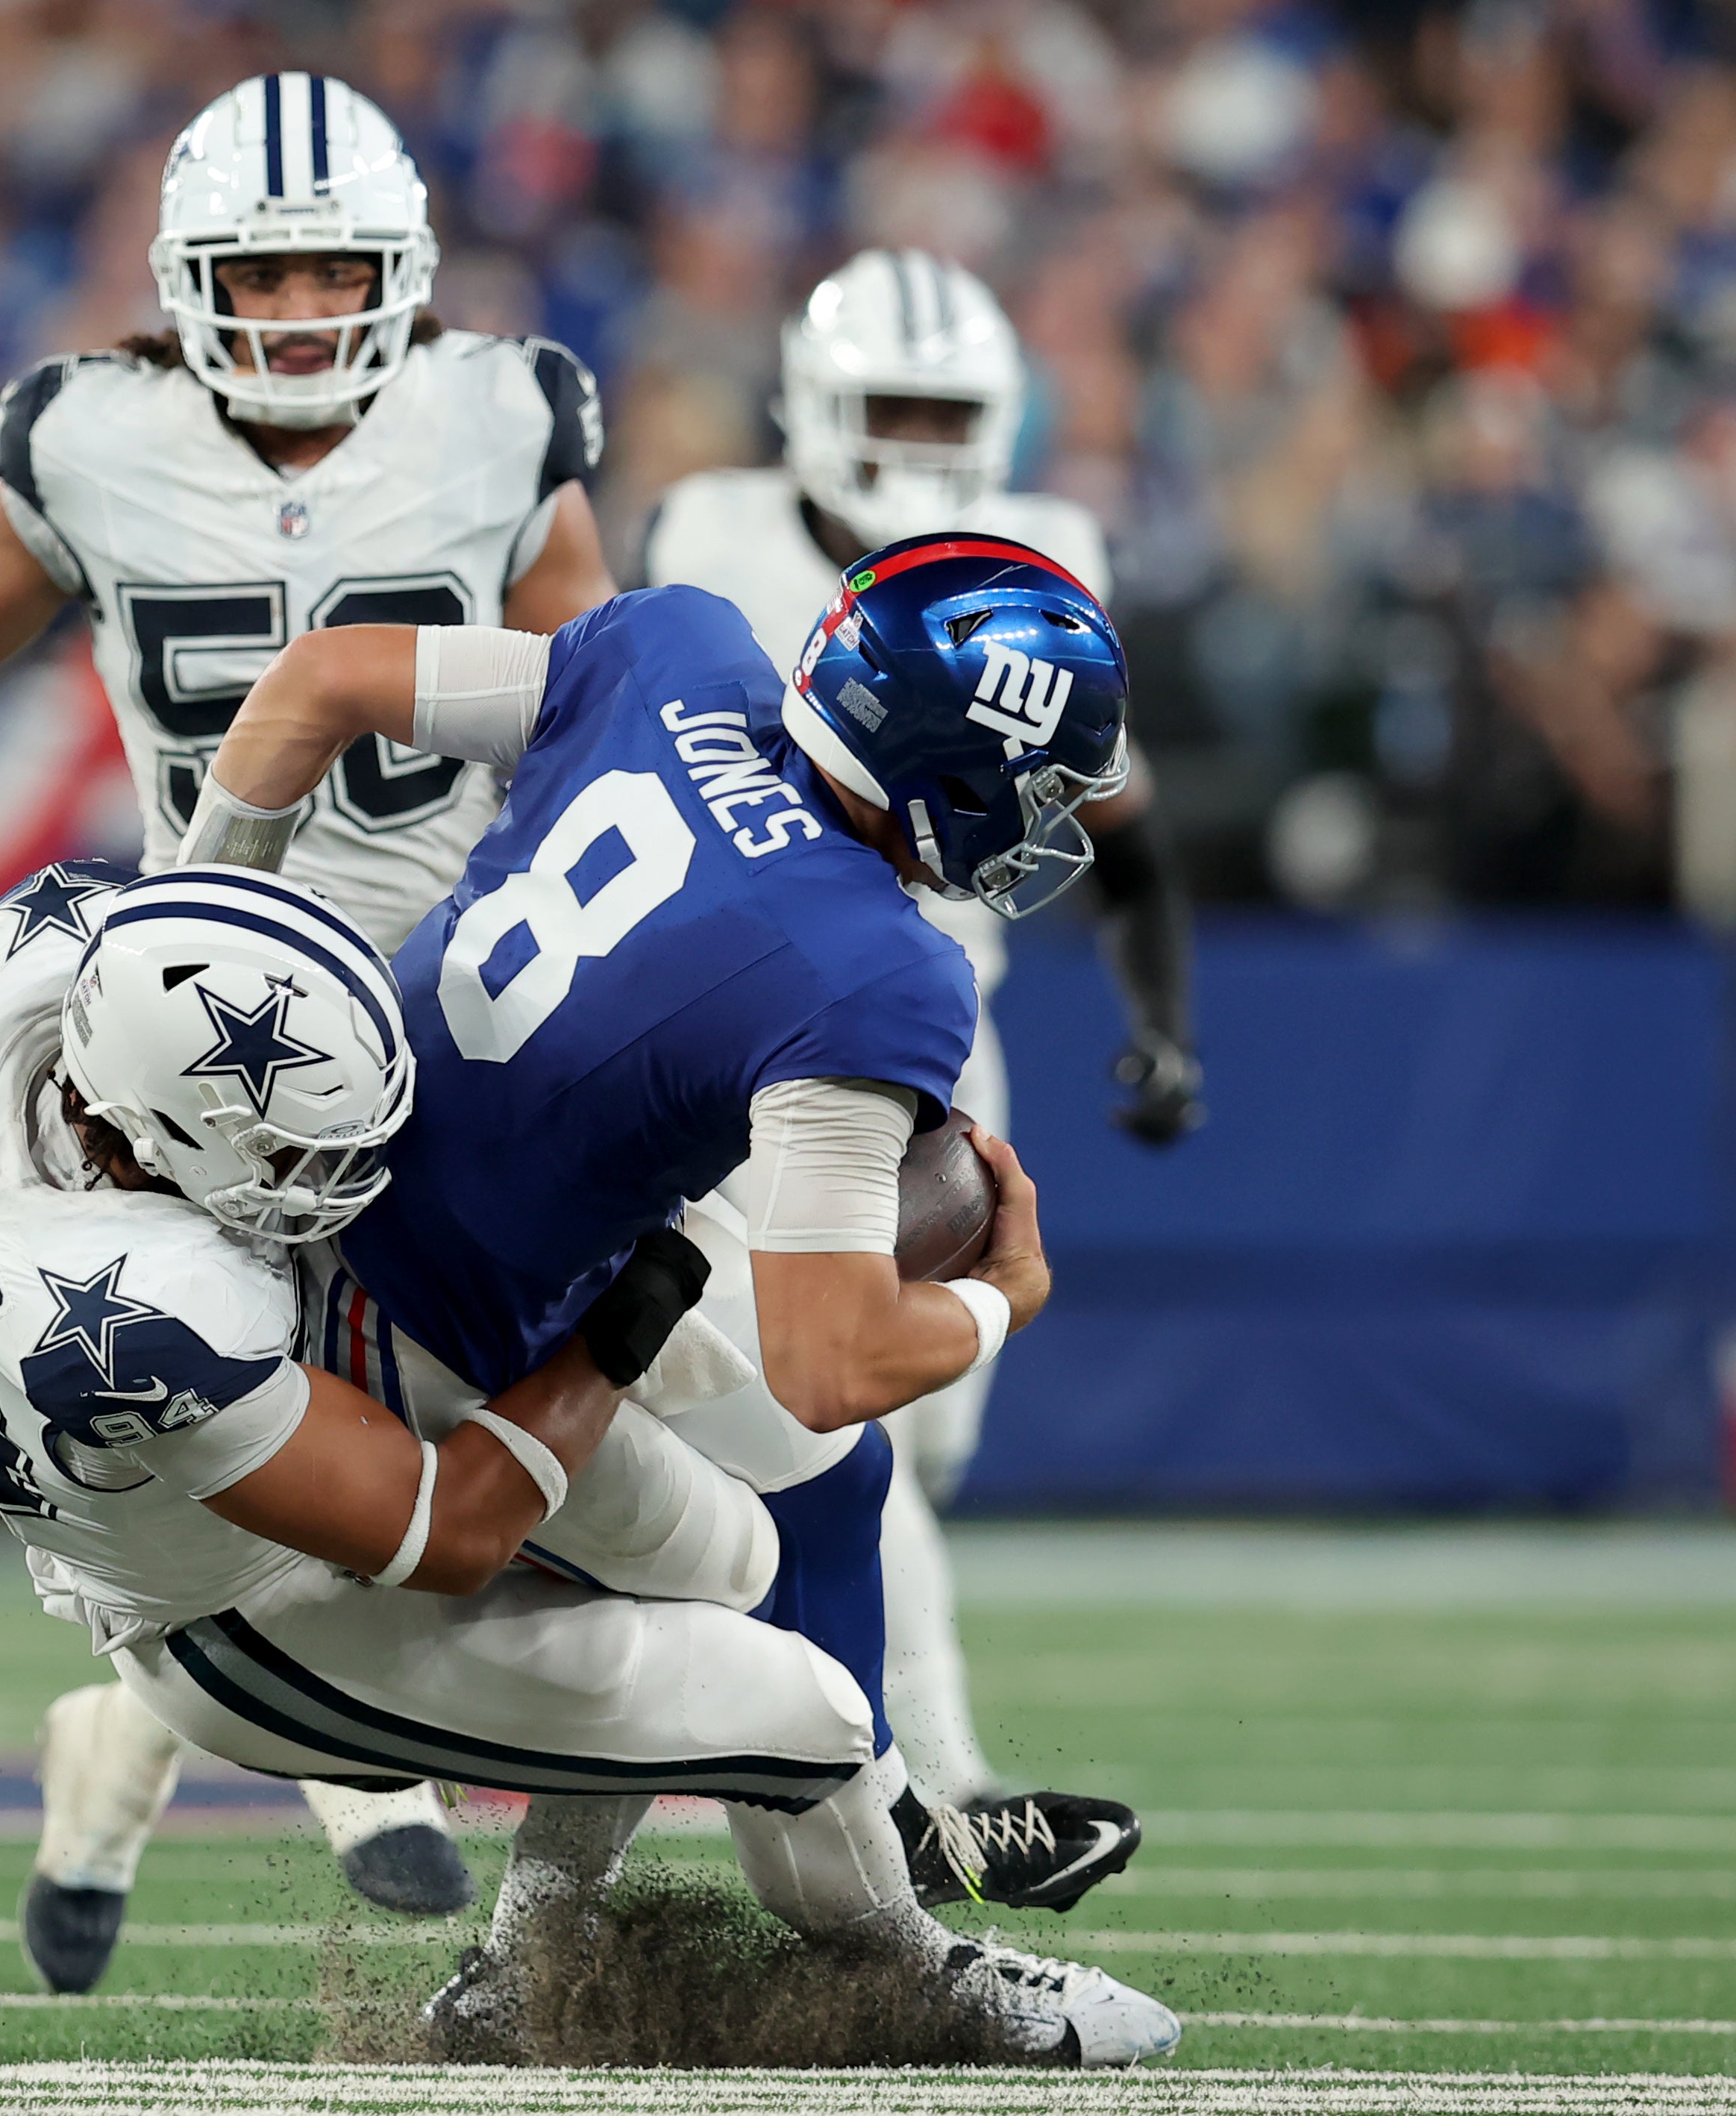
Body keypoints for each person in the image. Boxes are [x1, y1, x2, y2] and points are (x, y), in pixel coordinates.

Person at [0, 74, 618, 1932]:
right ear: (185, 282)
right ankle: (355, 1769)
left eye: (340, 274)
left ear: (400, 274)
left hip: (462, 989)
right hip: (213, 1018)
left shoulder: (498, 414)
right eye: (272, 275)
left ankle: (119, 1750)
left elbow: (601, 688)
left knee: (475, 1455)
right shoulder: (91, 438)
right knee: (264, 1420)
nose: (309, 314)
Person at [0, 858, 1173, 2068]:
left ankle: (519, 1973)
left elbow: (186, 914)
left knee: (737, 1548)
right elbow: (449, 1526)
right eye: (299, 1162)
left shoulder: (44, 951)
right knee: (805, 1710)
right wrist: (626, 1322)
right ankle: (912, 1971)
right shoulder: (135, 1314)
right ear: (145, 1141)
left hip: (303, 1389)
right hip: (248, 1609)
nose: (343, 1180)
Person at [177, 536, 1163, 2021]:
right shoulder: (877, 964)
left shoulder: (676, 651)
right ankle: (889, 1958)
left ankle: (558, 1954)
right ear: (950, 765)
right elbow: (832, 1346)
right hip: (431, 1328)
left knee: (827, 1475)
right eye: (1030, 788)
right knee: (731, 1586)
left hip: (378, 1196)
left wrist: (199, 933)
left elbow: (316, 678)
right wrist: (1000, 1296)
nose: (1037, 829)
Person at [641, 248, 1202, 1809]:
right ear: (809, 406)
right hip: (731, 1017)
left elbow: (1124, 833)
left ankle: (763, 1725)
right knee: (818, 1421)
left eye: (944, 411)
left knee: (907, 1447)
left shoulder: (1043, 559)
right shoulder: (705, 532)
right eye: (886, 407)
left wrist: (1163, 1024)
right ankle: (931, 1791)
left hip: (926, 1025)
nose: (915, 441)